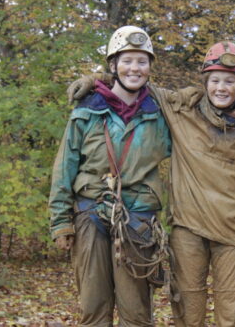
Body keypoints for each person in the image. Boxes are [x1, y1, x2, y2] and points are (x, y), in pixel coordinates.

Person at [67, 41, 235, 327]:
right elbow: (134, 83)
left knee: (232, 313)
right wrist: (99, 78)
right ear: (204, 82)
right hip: (188, 227)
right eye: (215, 80)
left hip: (234, 230)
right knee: (187, 310)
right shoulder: (182, 109)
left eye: (230, 81)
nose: (221, 88)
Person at [48, 25, 171, 327]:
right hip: (90, 214)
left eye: (142, 62)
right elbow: (65, 166)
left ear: (150, 68)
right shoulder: (86, 111)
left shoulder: (162, 112)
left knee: (136, 313)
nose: (134, 68)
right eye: (127, 60)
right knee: (94, 307)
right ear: (113, 65)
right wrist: (61, 221)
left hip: (138, 220)